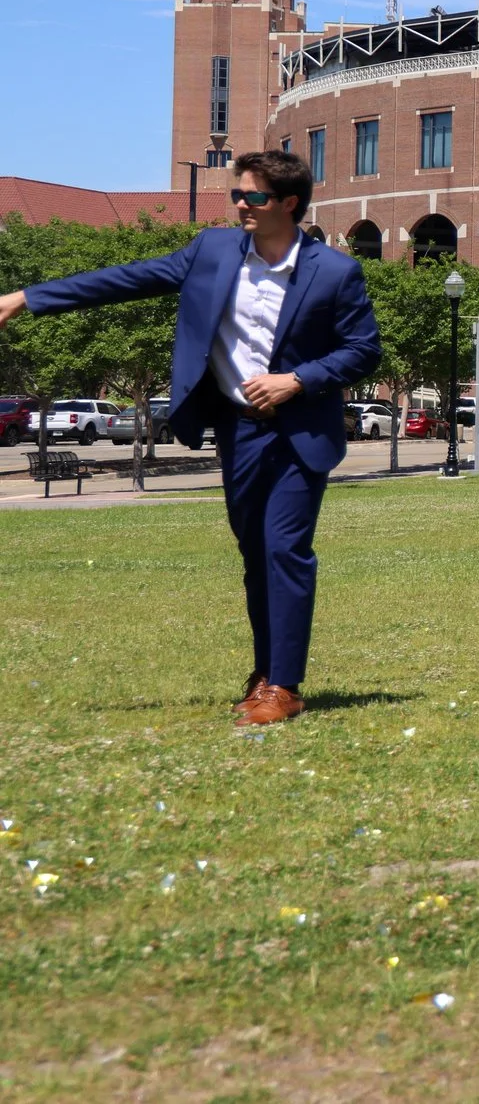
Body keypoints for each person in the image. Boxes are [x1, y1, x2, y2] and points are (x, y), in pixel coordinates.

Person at [0, 151, 379, 726]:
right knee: (256, 555)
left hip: (301, 431)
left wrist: (297, 380)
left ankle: (284, 686)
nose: (240, 205)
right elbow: (127, 279)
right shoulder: (212, 251)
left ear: (288, 204)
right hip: (239, 430)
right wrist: (26, 298)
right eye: (237, 195)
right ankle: (266, 672)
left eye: (252, 197)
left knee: (284, 549)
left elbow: (363, 350)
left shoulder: (333, 272)